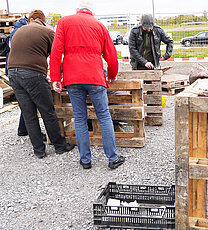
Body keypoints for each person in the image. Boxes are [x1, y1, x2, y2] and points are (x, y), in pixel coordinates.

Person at [49, 0, 125, 170]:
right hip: (95, 77)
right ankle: (112, 158)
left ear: (78, 10)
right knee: (104, 116)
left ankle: (85, 160)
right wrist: (111, 74)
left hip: (72, 78)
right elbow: (111, 54)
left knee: (80, 118)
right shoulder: (99, 26)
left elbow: (56, 51)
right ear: (92, 12)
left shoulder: (64, 22)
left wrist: (56, 77)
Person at [7, 10, 75, 159]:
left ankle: (39, 150)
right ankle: (60, 146)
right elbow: (57, 56)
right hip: (33, 74)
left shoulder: (19, 30)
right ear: (43, 21)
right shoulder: (47, 31)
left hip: (12, 73)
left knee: (28, 113)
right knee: (47, 111)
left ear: (31, 20)